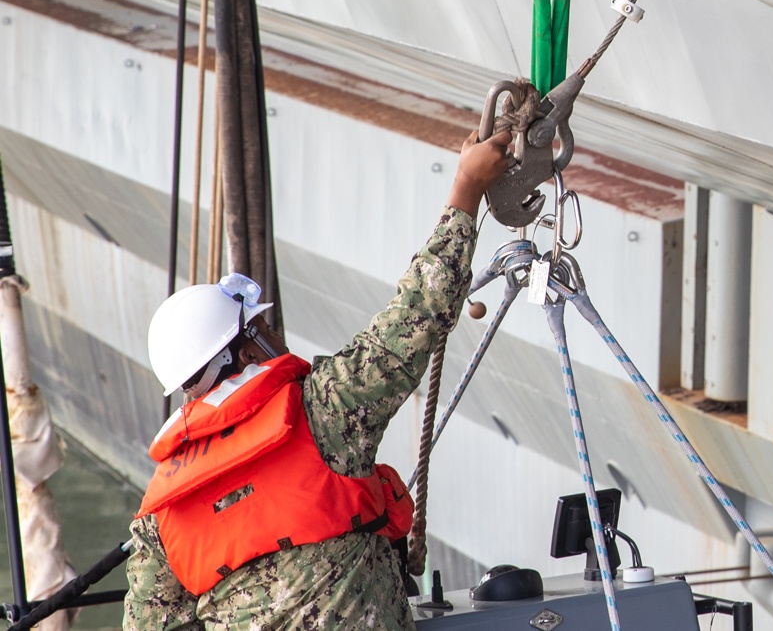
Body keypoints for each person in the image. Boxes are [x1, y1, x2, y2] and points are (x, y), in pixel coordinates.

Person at [123, 127, 513, 631]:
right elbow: (417, 315)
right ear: (243, 350)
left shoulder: (161, 516)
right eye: (261, 329)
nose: (274, 337)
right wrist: (467, 187)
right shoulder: (323, 410)